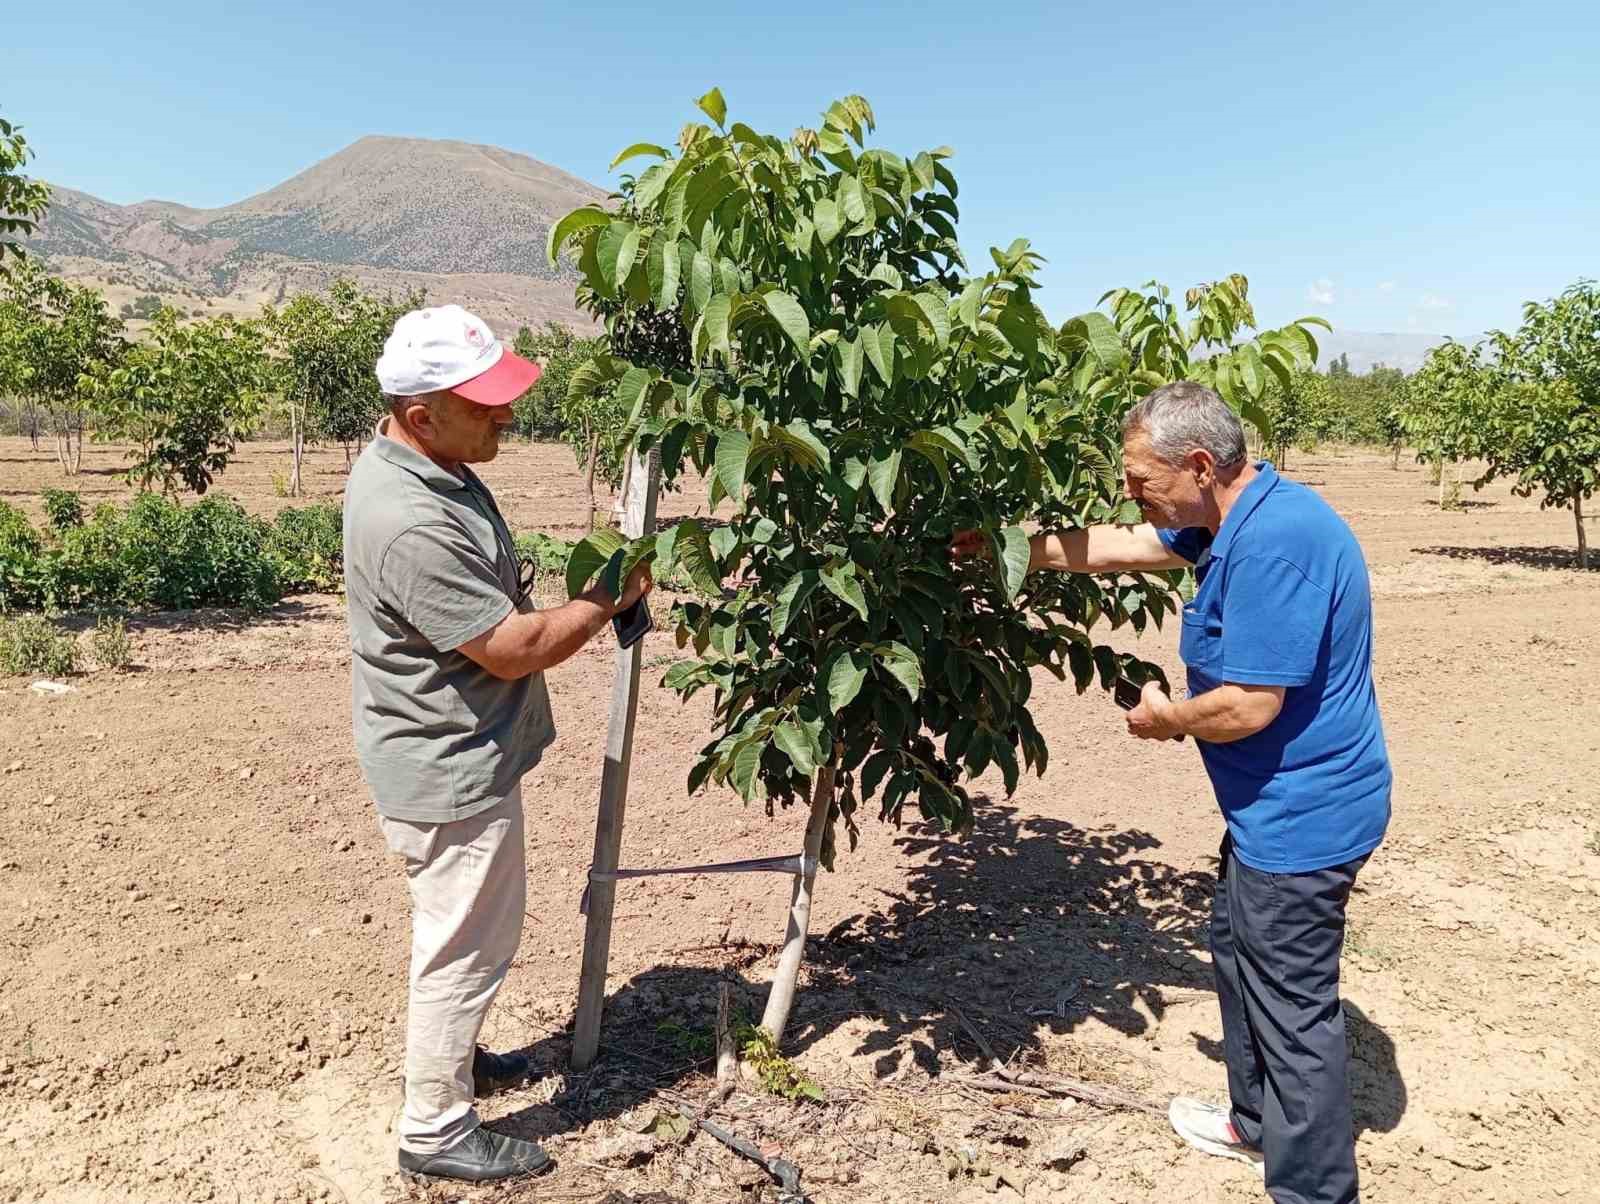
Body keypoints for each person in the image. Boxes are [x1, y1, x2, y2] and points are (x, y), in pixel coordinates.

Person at [952, 380, 1390, 1204]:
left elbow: (1248, 706)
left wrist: (1166, 720)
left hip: (1303, 818)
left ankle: (1313, 1191)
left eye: (1140, 479)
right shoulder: (1235, 516)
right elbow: (1120, 547)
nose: (1131, 495)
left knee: (1294, 1013)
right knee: (1235, 948)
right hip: (1273, 812)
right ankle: (1254, 1122)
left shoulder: (1273, 546)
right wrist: (1006, 549)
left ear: (1197, 465)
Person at [343, 304, 652, 1183]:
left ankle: (457, 1061)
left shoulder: (431, 465)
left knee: (465, 932)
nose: (506, 416)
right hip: (447, 767)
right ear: (421, 414)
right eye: (485, 405)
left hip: (455, 747)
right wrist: (605, 600)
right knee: (466, 945)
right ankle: (435, 1128)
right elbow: (512, 648)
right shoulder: (409, 520)